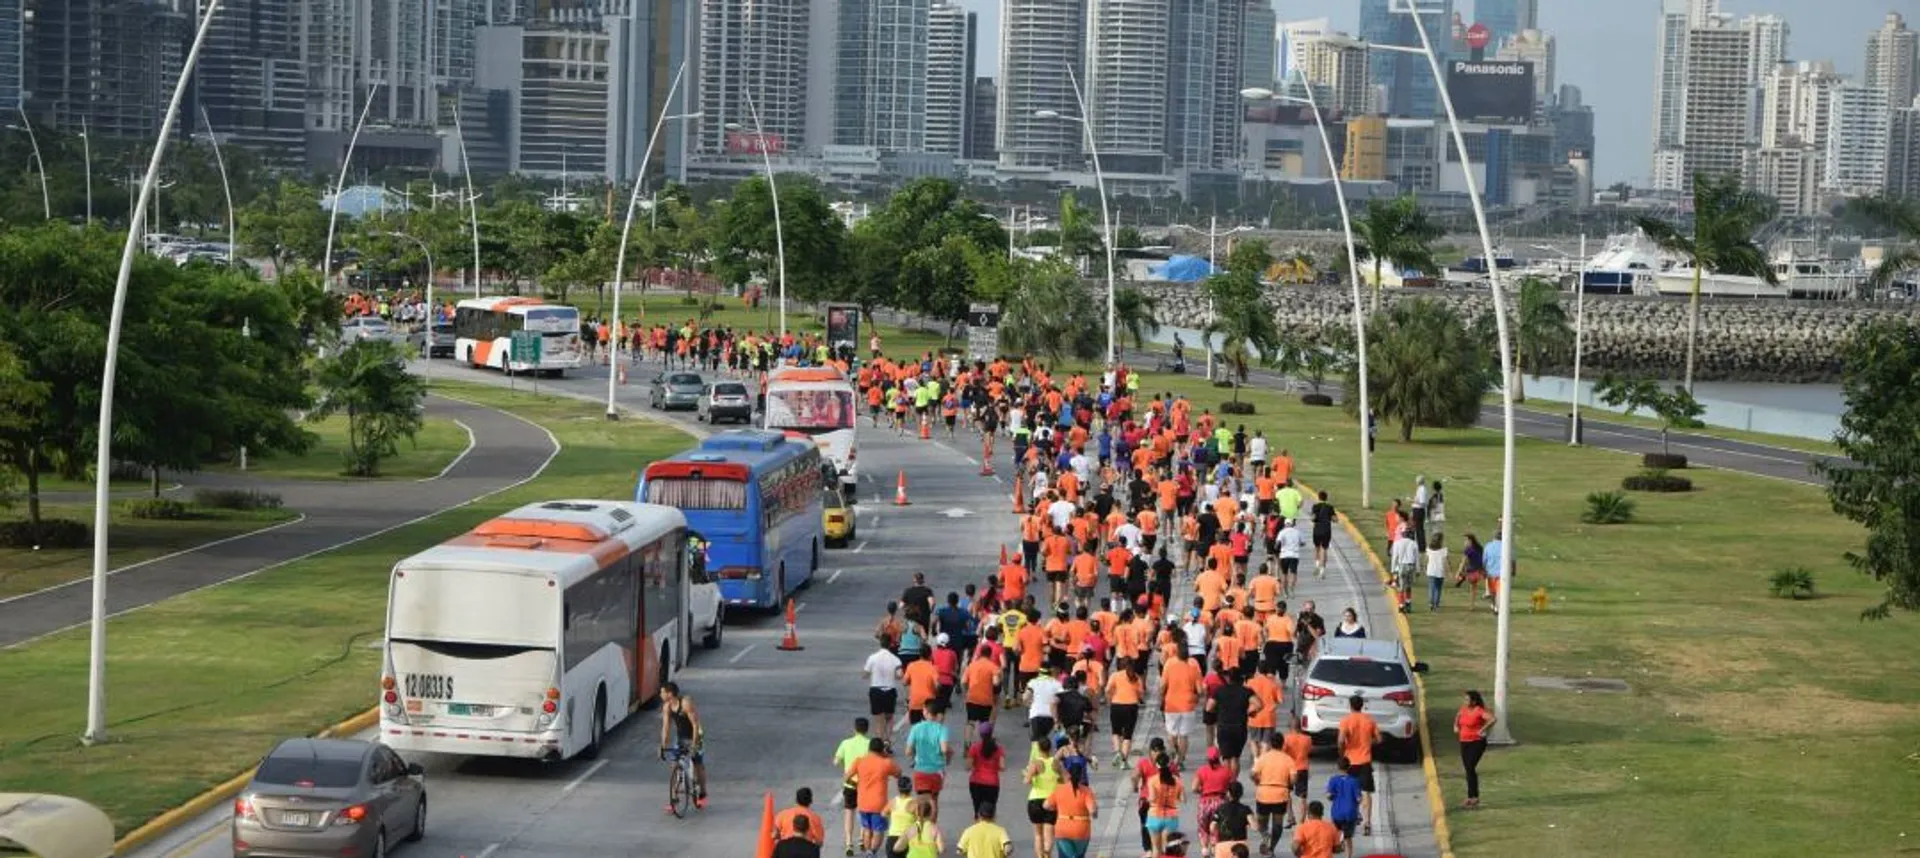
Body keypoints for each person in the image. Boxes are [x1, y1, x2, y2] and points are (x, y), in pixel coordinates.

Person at [1335, 695, 1380, 835]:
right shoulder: (1369, 720)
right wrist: (1368, 743)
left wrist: (1342, 754)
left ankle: (1354, 815)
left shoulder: (1346, 720)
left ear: (1350, 705)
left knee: (1351, 791)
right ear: (1362, 705)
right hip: (1365, 760)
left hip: (1350, 761)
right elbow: (1379, 739)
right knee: (1366, 791)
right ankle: (1367, 822)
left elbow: (1341, 740)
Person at [658, 682, 707, 810]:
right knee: (674, 765)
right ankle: (674, 798)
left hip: (696, 735)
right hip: (681, 738)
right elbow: (666, 727)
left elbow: (695, 725)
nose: (660, 694)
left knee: (698, 764)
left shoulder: (686, 703)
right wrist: (663, 746)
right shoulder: (667, 707)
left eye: (662, 692)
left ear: (669, 693)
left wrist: (694, 745)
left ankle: (702, 792)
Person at [851, 739, 902, 856]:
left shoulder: (859, 761)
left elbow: (847, 776)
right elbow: (899, 773)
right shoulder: (886, 763)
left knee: (867, 828)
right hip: (879, 804)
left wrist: (857, 784)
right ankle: (872, 851)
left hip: (862, 802)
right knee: (878, 829)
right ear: (881, 750)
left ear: (869, 749)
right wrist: (887, 757)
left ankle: (868, 851)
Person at [906, 699, 952, 821]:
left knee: (921, 801)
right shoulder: (942, 729)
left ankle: (919, 826)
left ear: (925, 712)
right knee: (934, 800)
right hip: (937, 771)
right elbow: (944, 749)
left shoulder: (916, 728)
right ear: (937, 714)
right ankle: (932, 828)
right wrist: (947, 759)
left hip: (920, 769)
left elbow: (908, 751)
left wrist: (915, 755)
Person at [833, 718, 873, 856]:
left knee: (849, 811)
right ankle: (862, 838)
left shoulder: (846, 743)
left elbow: (836, 761)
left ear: (854, 729)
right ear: (867, 729)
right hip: (865, 784)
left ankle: (849, 842)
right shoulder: (870, 744)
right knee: (864, 811)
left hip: (850, 783)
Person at [1159, 645, 1204, 761]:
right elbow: (1200, 690)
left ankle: (1174, 751)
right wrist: (1197, 697)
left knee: (1171, 733)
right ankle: (1180, 759)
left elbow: (1162, 686)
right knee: (1183, 735)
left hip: (1171, 705)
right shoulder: (1194, 668)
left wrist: (1161, 697)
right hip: (1188, 705)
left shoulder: (1169, 666)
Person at [1249, 735, 1293, 854]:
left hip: (1264, 793)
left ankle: (1265, 835)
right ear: (1282, 744)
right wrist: (1288, 784)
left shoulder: (1263, 758)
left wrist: (1257, 781)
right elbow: (1294, 778)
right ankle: (1272, 848)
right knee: (1277, 825)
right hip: (1280, 794)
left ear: (1271, 744)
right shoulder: (1288, 759)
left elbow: (1252, 774)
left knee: (1261, 822)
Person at [1044, 762, 1098, 858]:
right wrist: (1095, 814)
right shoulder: (1086, 791)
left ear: (1069, 773)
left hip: (1063, 829)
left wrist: (1056, 808)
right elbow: (1092, 810)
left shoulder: (1059, 789)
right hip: (1081, 830)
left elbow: (1046, 805)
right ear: (1081, 775)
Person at [1455, 690, 1496, 808]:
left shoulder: (1479, 711)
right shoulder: (1463, 709)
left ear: (1474, 701)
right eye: (1465, 699)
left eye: (1468, 700)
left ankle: (1473, 797)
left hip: (1477, 742)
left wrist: (1482, 729)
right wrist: (1455, 725)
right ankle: (1471, 797)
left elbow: (1492, 719)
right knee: (1468, 769)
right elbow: (1458, 716)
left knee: (1470, 767)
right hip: (1464, 742)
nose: (1465, 701)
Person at [1190, 748, 1234, 852]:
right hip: (1221, 802)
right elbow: (1231, 788)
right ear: (1219, 758)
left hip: (1205, 802)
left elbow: (1194, 788)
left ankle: (1205, 849)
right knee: (1217, 828)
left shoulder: (1201, 770)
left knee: (1203, 827)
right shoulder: (1226, 771)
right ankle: (1215, 848)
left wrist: (1203, 791)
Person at [1145, 752, 1185, 857]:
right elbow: (1183, 799)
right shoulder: (1176, 780)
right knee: (1168, 850)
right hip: (1171, 817)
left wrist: (1146, 799)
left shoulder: (1152, 780)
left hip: (1154, 815)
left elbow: (1152, 798)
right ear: (1169, 764)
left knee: (1156, 849)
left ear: (1156, 764)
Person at [864, 635, 905, 737]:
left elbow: (865, 674)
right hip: (890, 690)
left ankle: (880, 740)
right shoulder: (895, 659)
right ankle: (887, 740)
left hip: (876, 690)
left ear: (880, 643)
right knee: (889, 718)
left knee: (878, 719)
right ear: (891, 644)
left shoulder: (872, 657)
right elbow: (900, 675)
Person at [967, 722, 1006, 818]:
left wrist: (976, 768)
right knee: (990, 811)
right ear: (991, 733)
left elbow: (969, 765)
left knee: (977, 810)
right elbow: (1002, 766)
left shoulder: (974, 747)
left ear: (980, 734)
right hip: (992, 783)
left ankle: (977, 829)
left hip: (976, 782)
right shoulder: (999, 749)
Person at [1326, 759, 1362, 857]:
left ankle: (1334, 848)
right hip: (1350, 813)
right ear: (1349, 767)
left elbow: (1328, 796)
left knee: (1335, 834)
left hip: (1337, 812)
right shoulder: (1354, 781)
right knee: (1348, 838)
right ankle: (1348, 856)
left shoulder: (1333, 780)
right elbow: (1359, 799)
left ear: (1338, 767)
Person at [1209, 780, 1255, 858]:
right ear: (1241, 794)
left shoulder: (1220, 809)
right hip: (1241, 847)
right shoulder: (1245, 809)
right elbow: (1255, 827)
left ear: (1228, 793)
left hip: (1223, 845)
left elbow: (1212, 827)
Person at [1309, 491, 1335, 578]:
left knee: (1317, 548)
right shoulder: (1330, 507)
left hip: (1317, 530)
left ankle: (1317, 565)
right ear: (1326, 498)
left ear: (1318, 497)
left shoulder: (1315, 507)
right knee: (1324, 549)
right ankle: (1322, 570)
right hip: (1327, 530)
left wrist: (1313, 518)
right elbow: (1335, 519)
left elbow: (1312, 518)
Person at [1424, 534, 1449, 612]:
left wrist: (1424, 567)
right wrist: (1448, 571)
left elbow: (1426, 559)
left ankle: (1431, 603)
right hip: (1440, 571)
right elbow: (1445, 561)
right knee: (1438, 588)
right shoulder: (1444, 550)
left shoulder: (1429, 549)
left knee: (1431, 587)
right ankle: (1436, 604)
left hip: (1431, 570)